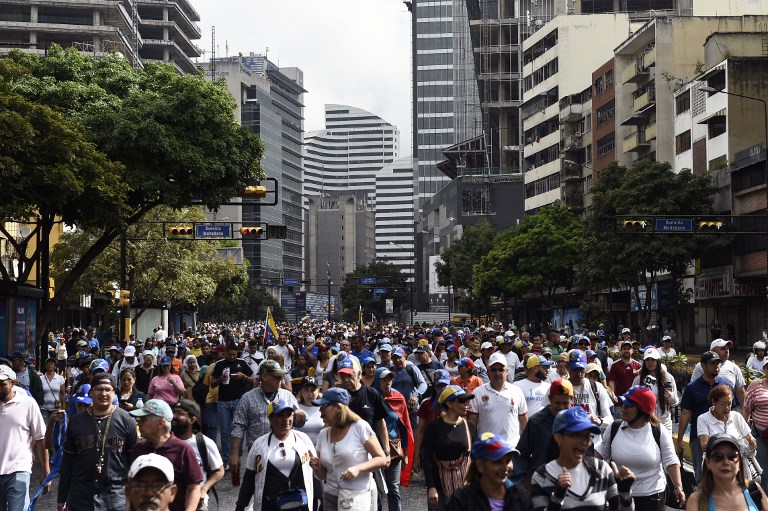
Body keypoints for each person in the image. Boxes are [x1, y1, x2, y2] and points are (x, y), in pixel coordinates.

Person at [596, 386, 686, 510]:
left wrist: (678, 487)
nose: (623, 408)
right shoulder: (614, 428)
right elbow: (599, 454)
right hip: (619, 497)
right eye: (624, 403)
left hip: (652, 498)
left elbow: (670, 460)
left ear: (642, 410)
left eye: (628, 405)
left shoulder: (659, 431)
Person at [58, 373, 138, 511]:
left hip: (116, 498)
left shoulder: (127, 420)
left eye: (108, 389)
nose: (104, 393)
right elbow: (67, 462)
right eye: (99, 389)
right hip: (81, 498)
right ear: (91, 392)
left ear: (114, 393)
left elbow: (134, 462)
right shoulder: (76, 421)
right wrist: (61, 498)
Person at [531, 407, 637, 510]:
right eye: (576, 435)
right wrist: (557, 497)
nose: (583, 441)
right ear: (558, 437)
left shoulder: (602, 469)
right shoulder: (541, 476)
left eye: (587, 436)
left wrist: (625, 492)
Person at [310, 387, 387, 511]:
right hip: (331, 496)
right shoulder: (323, 434)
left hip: (357, 496)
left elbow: (382, 459)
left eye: (324, 406)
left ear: (339, 408)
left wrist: (358, 469)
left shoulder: (360, 427)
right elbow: (323, 475)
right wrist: (316, 467)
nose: (320, 410)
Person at [235, 398, 317, 511]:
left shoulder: (303, 440)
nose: (286, 419)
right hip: (269, 506)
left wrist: (319, 499)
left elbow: (314, 474)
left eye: (289, 415)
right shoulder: (259, 445)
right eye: (280, 415)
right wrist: (240, 506)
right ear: (270, 418)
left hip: (301, 506)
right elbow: (249, 479)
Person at [230, 360, 302, 476]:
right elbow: (238, 426)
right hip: (258, 451)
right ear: (264, 376)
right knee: (258, 486)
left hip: (285, 450)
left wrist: (300, 416)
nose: (281, 379)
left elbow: (298, 423)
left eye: (281, 376)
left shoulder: (287, 395)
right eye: (276, 376)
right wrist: (234, 454)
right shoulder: (248, 398)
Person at [129, 399, 204, 511]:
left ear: (161, 423)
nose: (138, 423)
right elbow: (131, 486)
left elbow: (194, 487)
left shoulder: (183, 450)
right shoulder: (138, 449)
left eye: (143, 420)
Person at [0, 365, 48, 510]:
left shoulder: (28, 403)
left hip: (18, 469)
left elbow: (40, 438)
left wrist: (46, 470)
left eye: (2, 384)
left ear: (13, 382)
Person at [445, 432, 533, 511]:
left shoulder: (520, 498)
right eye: (498, 462)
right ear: (480, 465)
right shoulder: (460, 501)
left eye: (508, 460)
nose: (505, 467)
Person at [422, 385, 478, 509]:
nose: (467, 404)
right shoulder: (434, 426)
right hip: (440, 489)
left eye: (468, 400)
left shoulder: (470, 426)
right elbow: (426, 458)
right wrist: (431, 487)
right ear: (450, 403)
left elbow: (475, 457)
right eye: (462, 400)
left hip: (466, 488)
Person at [514, 379, 574, 485]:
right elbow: (521, 456)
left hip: (572, 484)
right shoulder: (536, 423)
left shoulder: (578, 423)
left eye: (565, 403)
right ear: (550, 399)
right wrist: (521, 485)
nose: (561, 407)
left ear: (572, 400)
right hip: (542, 484)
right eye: (557, 403)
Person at [686, 434, 768, 511]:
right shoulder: (697, 501)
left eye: (732, 456)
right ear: (707, 462)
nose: (726, 462)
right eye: (718, 457)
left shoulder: (754, 490)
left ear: (739, 461)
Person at [171, 400, 224, 511]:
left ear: (192, 419)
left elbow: (219, 471)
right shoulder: (166, 442)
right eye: (173, 412)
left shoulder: (205, 443)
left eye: (179, 413)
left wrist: (203, 489)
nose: (174, 416)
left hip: (196, 503)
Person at [678, 351, 723, 482]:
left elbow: (732, 412)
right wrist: (680, 439)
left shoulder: (725, 385)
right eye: (712, 364)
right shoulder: (692, 388)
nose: (716, 366)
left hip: (722, 436)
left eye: (718, 364)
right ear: (703, 365)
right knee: (701, 477)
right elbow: (685, 413)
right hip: (698, 438)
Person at [374, 367, 414, 511]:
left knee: (393, 489)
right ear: (377, 380)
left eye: (390, 379)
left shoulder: (398, 397)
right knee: (376, 489)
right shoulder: (371, 396)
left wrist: (406, 453)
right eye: (384, 380)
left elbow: (405, 425)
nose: (388, 382)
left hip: (393, 447)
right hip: (373, 448)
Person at [468, 352, 528, 448]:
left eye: (501, 369)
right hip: (486, 448)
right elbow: (472, 423)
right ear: (488, 371)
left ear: (507, 371)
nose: (497, 373)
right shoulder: (478, 392)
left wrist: (526, 446)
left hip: (512, 448)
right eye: (493, 370)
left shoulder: (517, 391)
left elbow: (523, 420)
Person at [698, 384, 755, 454]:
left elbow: (749, 438)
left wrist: (752, 442)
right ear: (713, 402)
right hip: (715, 462)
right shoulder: (703, 419)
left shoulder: (736, 416)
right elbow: (704, 446)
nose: (727, 408)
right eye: (722, 404)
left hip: (736, 461)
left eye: (729, 404)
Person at [632, 347, 679, 432]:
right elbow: (632, 401)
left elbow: (675, 403)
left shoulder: (668, 378)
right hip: (645, 422)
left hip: (664, 422)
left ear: (658, 361)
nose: (650, 362)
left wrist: (670, 397)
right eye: (647, 360)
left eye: (653, 360)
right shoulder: (638, 380)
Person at [690, 339, 746, 409]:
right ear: (713, 351)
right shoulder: (701, 366)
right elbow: (693, 389)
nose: (726, 351)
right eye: (723, 349)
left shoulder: (734, 367)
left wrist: (744, 412)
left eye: (727, 348)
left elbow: (740, 391)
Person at [567, 350, 613, 429]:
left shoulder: (597, 387)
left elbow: (610, 420)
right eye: (575, 369)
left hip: (593, 439)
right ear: (567, 367)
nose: (579, 373)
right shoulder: (561, 386)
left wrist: (599, 421)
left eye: (581, 369)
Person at [745, 361, 768, 495]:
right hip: (760, 434)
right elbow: (746, 409)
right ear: (765, 369)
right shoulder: (756, 385)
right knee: (765, 471)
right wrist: (745, 434)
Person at [296, 376, 324, 445]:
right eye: (306, 390)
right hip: (300, 448)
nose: (309, 393)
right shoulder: (295, 407)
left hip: (320, 449)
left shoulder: (324, 408)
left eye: (312, 390)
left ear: (318, 391)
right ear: (301, 391)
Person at [41, 357, 66, 423]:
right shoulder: (41, 378)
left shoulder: (60, 378)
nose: (50, 364)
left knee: (55, 428)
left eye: (52, 363)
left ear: (55, 366)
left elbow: (63, 394)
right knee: (45, 429)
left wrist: (63, 409)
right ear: (45, 366)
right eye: (48, 363)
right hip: (43, 408)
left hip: (56, 408)